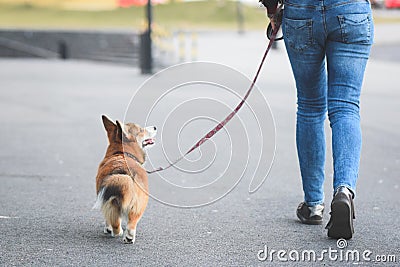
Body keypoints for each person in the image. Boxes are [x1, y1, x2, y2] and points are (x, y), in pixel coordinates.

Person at [261, 0, 374, 239]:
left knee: (310, 106)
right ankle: (344, 190)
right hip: (351, 9)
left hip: (301, 11)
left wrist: (273, 11)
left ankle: (313, 204)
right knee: (346, 106)